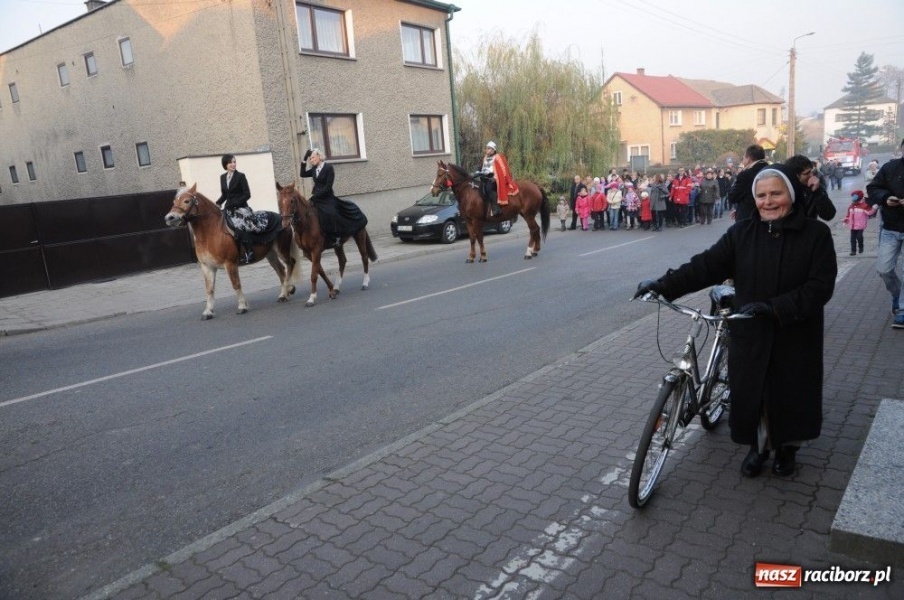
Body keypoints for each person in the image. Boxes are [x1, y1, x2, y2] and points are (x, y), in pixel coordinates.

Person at [634, 164, 836, 478]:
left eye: (776, 194)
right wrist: (663, 285)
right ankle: (758, 448)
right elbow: (705, 265)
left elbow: (820, 286)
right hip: (751, 330)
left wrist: (774, 307)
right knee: (753, 391)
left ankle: (786, 449)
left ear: (791, 195)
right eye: (761, 195)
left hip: (795, 331)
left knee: (791, 392)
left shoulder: (815, 235)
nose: (768, 201)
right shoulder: (742, 233)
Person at [867, 139, 904, 328]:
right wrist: (885, 198)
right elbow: (873, 188)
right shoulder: (890, 168)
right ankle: (897, 293)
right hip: (890, 226)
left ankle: (902, 310)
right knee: (884, 269)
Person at [300, 148, 368, 247]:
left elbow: (328, 187)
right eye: (310, 159)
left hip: (327, 197)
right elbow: (302, 174)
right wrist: (304, 159)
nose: (311, 160)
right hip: (316, 198)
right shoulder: (314, 169)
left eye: (313, 158)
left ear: (319, 156)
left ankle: (336, 237)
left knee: (331, 212)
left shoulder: (328, 168)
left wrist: (316, 195)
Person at [216, 154, 267, 264]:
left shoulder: (240, 176)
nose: (233, 164)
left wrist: (236, 203)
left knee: (239, 225)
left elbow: (247, 194)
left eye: (234, 162)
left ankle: (250, 252)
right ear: (225, 164)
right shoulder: (222, 177)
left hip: (241, 207)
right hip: (228, 208)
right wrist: (218, 203)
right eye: (231, 162)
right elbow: (225, 194)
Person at [784, 155, 836, 221]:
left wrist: (818, 192)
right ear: (795, 176)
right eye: (807, 173)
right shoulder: (783, 191)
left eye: (811, 171)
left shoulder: (815, 188)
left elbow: (828, 215)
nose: (811, 175)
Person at [477, 141, 519, 216]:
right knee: (479, 188)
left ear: (493, 149)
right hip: (486, 177)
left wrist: (495, 178)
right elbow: (482, 167)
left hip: (495, 178)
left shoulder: (498, 157)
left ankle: (496, 208)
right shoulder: (485, 157)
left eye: (489, 148)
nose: (487, 150)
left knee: (489, 188)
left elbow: (503, 169)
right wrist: (478, 172)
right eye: (486, 148)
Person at [728, 144, 768, 221]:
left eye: (743, 158)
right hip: (767, 216)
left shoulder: (746, 175)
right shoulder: (770, 170)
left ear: (748, 159)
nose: (743, 161)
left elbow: (732, 197)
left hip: (749, 218)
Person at [842, 190, 876, 256]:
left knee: (859, 237)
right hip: (853, 225)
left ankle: (861, 247)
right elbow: (848, 214)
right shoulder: (851, 206)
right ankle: (853, 251)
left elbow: (869, 213)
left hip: (860, 225)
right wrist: (846, 221)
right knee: (852, 239)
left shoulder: (864, 206)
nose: (853, 199)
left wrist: (874, 208)